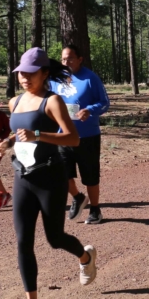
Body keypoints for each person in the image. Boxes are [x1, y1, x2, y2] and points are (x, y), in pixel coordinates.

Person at [0, 47, 97, 299]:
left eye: (30, 73)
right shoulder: (15, 102)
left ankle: (85, 256)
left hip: (50, 177)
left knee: (55, 239)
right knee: (23, 242)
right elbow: (20, 132)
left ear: (44, 73)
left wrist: (39, 134)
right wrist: (8, 143)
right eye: (21, 73)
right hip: (22, 177)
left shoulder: (52, 102)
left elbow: (72, 139)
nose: (24, 78)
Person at [51, 45, 111, 224]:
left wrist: (90, 110)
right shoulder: (55, 79)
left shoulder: (90, 78)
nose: (66, 62)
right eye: (63, 59)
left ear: (80, 59)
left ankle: (95, 209)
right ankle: (77, 197)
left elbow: (104, 103)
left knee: (90, 176)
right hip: (63, 135)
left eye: (70, 58)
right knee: (62, 174)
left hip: (87, 136)